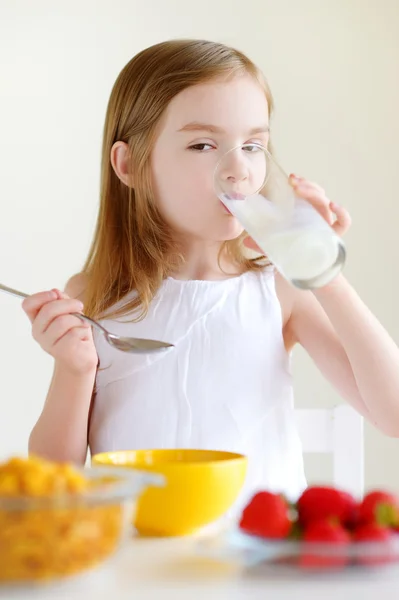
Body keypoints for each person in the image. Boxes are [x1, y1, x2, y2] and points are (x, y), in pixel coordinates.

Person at [24, 39, 399, 504]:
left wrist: (321, 270)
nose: (238, 170)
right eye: (203, 144)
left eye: (253, 145)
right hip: (138, 561)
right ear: (130, 165)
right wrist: (75, 369)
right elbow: (50, 477)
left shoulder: (280, 290)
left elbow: (393, 413)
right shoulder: (94, 296)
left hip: (259, 561)